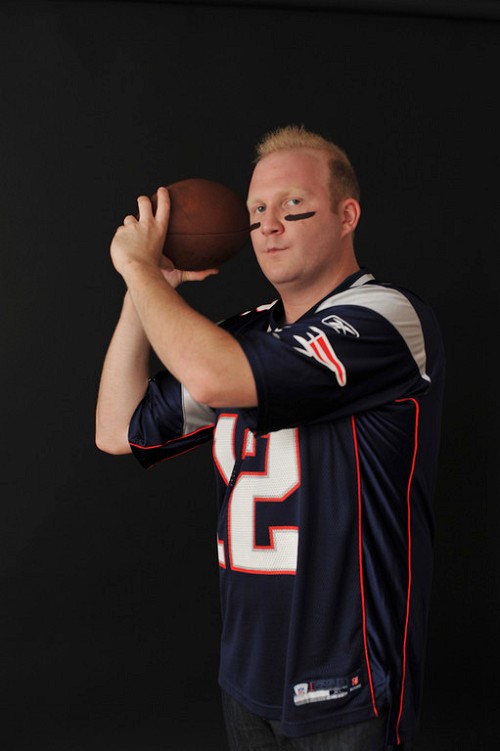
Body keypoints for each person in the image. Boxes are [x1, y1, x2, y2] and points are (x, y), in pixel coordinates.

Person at [95, 125, 445, 751]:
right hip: (247, 676)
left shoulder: (386, 316)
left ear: (346, 215)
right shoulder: (244, 336)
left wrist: (138, 268)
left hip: (347, 680)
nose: (269, 225)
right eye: (256, 210)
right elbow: (117, 431)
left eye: (293, 204)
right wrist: (144, 292)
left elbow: (216, 375)